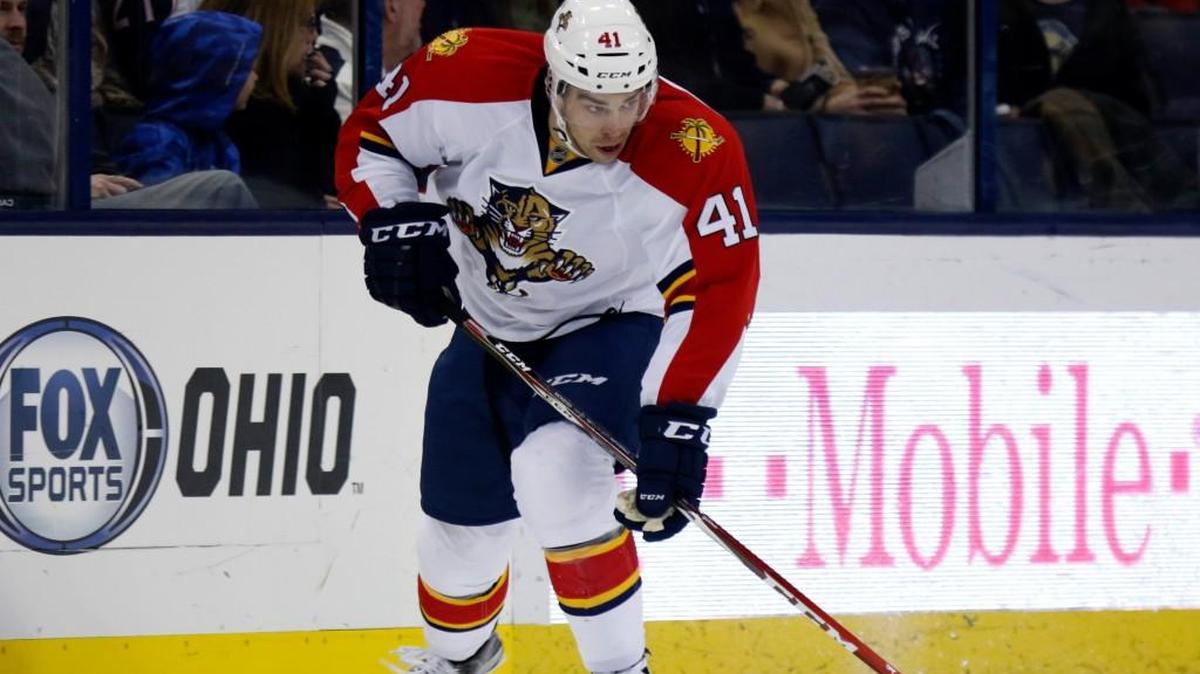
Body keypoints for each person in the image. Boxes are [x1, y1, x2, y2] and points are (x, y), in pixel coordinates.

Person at [336, 1, 760, 672]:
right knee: (457, 538)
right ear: (554, 82)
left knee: (558, 473)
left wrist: (679, 420)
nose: (617, 123)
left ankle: (624, 668)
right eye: (595, 104)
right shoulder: (465, 73)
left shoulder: (694, 145)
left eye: (631, 99)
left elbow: (719, 289)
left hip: (613, 318)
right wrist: (394, 221)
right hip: (489, 328)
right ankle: (461, 661)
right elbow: (373, 139)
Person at [200, 0, 340, 208]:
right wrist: (309, 204)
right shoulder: (238, 113)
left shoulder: (299, 102)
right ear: (275, 27)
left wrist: (320, 107)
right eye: (309, 23)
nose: (315, 37)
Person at [114, 10, 261, 185]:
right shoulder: (156, 143)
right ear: (217, 77)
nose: (256, 77)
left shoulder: (219, 143)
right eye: (248, 69)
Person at [731, 0, 908, 115]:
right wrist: (824, 107)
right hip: (758, 130)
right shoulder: (721, 11)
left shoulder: (795, 5)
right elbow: (745, 88)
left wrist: (863, 101)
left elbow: (827, 64)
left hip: (807, 122)